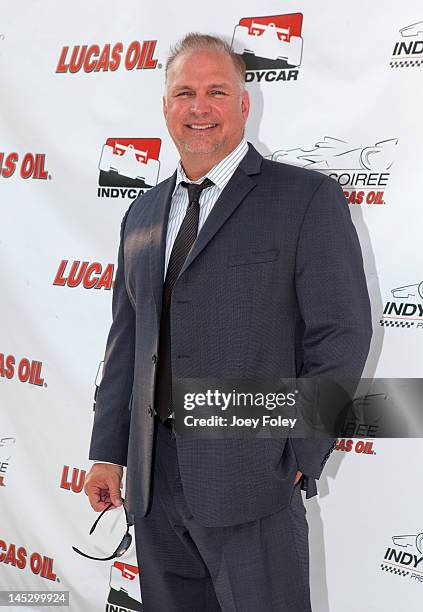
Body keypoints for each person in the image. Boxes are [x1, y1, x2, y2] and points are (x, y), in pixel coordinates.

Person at [85, 33, 372, 611]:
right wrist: (108, 451)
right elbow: (126, 343)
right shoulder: (140, 215)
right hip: (152, 482)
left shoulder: (307, 198)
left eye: (217, 91)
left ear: (244, 104)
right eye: (184, 92)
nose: (199, 107)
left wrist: (298, 454)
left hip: (254, 480)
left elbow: (341, 335)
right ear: (165, 107)